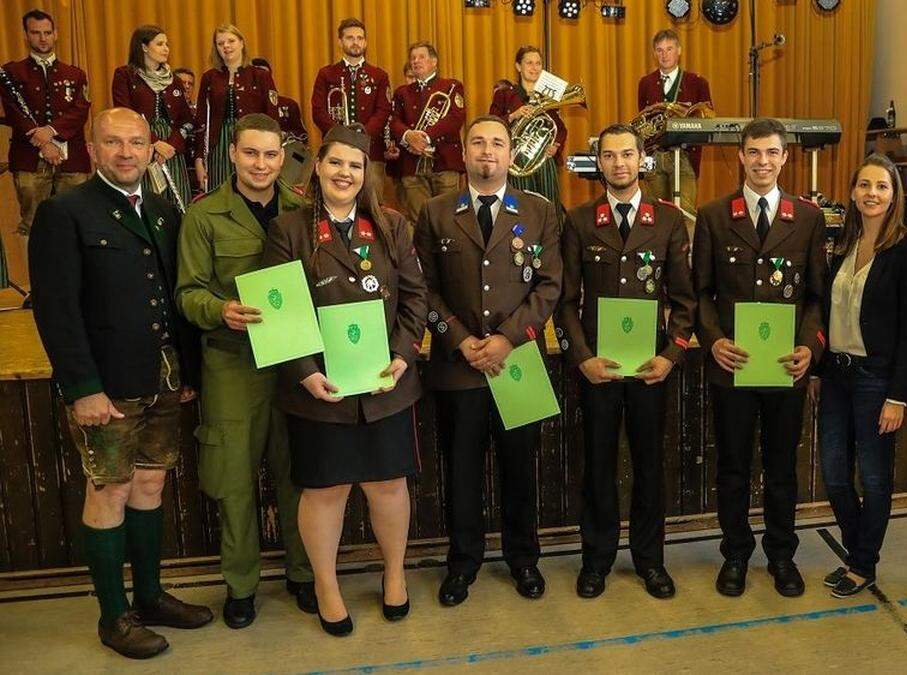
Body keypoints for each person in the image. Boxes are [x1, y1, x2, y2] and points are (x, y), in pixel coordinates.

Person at [29, 108, 211, 658]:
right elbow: (57, 312)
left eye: (136, 142)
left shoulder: (160, 208)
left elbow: (172, 297)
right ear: (93, 148)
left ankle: (150, 596)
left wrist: (189, 374)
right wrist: (82, 386)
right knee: (109, 489)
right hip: (106, 385)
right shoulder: (66, 213)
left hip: (160, 378)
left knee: (150, 485)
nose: (126, 152)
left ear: (150, 146)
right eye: (113, 142)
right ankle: (115, 616)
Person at [260, 124, 427, 636]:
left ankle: (394, 577)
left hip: (384, 385)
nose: (345, 173)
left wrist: (402, 356)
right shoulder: (289, 230)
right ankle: (327, 588)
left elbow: (416, 297)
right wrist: (305, 373)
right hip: (319, 390)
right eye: (335, 163)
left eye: (355, 165)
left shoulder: (393, 226)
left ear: (366, 174)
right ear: (318, 167)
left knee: (388, 485)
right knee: (325, 491)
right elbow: (277, 310)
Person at [413, 115, 560, 607]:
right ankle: (463, 563)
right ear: (463, 149)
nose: (488, 152)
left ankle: (524, 559)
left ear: (511, 153)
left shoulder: (539, 212)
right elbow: (424, 289)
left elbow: (550, 286)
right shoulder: (434, 212)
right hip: (458, 365)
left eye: (498, 143)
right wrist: (457, 339)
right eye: (478, 143)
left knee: (521, 467)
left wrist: (507, 338)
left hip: (518, 362)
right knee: (462, 471)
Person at [175, 113, 314, 629]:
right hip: (233, 364)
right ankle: (241, 585)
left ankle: (303, 574)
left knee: (298, 473)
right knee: (235, 481)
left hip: (296, 362)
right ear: (232, 155)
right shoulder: (205, 215)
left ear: (283, 157)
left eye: (271, 154)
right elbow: (187, 293)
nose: (261, 164)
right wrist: (221, 311)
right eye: (251, 153)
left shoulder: (304, 209)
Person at [557, 123, 696, 600]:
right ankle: (595, 560)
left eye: (627, 155)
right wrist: (582, 359)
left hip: (649, 370)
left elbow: (684, 299)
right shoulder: (577, 221)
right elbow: (565, 302)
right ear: (599, 163)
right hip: (598, 369)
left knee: (649, 466)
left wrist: (672, 354)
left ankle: (650, 561)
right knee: (596, 466)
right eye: (610, 156)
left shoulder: (670, 220)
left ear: (643, 161)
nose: (619, 164)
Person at [692, 117, 828, 598]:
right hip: (733, 367)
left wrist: (809, 345)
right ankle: (734, 554)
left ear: (785, 157)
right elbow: (701, 292)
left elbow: (817, 295)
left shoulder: (808, 217)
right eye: (754, 153)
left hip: (785, 368)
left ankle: (782, 555)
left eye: (772, 153)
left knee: (781, 469)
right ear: (741, 156)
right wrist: (712, 340)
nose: (762, 162)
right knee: (732, 467)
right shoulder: (712, 215)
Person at [814, 153, 907, 598]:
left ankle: (863, 563)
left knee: (875, 477)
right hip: (837, 375)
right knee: (835, 474)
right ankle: (858, 552)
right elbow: (828, 312)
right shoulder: (842, 242)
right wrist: (820, 371)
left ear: (894, 194)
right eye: (864, 185)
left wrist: (899, 395)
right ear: (853, 192)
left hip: (877, 379)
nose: (872, 194)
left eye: (881, 186)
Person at [1, 9, 91, 263]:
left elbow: (80, 110)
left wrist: (50, 133)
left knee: (75, 219)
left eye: (47, 33)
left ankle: (72, 283)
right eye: (36, 33)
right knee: (33, 221)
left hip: (71, 159)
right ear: (26, 35)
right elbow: (14, 112)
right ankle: (38, 285)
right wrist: (43, 143)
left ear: (56, 35)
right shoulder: (11, 73)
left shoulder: (75, 74)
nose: (42, 38)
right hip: (29, 158)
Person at [111, 25, 195, 209]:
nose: (166, 48)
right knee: (148, 202)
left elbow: (187, 120)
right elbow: (124, 115)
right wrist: (154, 142)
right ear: (144, 47)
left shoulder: (175, 80)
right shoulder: (125, 75)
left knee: (177, 204)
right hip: (140, 145)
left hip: (171, 149)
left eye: (167, 44)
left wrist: (171, 144)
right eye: (160, 44)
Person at [636, 28, 711, 222]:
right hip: (655, 157)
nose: (664, 54)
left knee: (686, 213)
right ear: (654, 53)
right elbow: (643, 122)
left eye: (669, 49)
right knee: (656, 215)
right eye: (659, 50)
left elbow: (707, 120)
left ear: (679, 51)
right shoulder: (645, 83)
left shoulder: (697, 82)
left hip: (685, 155)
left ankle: (686, 252)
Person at [311, 18, 392, 198]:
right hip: (335, 150)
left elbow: (383, 111)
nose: (355, 42)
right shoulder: (326, 74)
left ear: (365, 42)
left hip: (371, 153)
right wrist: (342, 137)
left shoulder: (379, 75)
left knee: (372, 203)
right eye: (350, 38)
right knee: (334, 198)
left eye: (360, 38)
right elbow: (318, 111)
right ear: (340, 41)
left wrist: (361, 137)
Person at [194, 23, 279, 192]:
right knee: (220, 190)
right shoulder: (209, 78)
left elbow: (272, 117)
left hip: (252, 142)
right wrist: (198, 159)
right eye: (220, 43)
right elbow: (202, 121)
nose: (226, 46)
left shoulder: (261, 76)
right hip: (219, 145)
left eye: (231, 41)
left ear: (241, 43)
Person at [390, 41, 465, 220]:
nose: (416, 61)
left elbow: (456, 118)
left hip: (444, 162)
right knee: (420, 220)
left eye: (421, 57)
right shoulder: (402, 92)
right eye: (413, 58)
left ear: (434, 62)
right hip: (412, 165)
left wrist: (425, 137)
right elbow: (392, 120)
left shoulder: (452, 86)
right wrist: (408, 136)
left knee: (447, 219)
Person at [489, 46, 566, 206]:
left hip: (543, 160)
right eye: (529, 63)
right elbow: (491, 125)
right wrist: (513, 116)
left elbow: (560, 128)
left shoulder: (549, 95)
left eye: (538, 63)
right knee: (520, 206)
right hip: (516, 161)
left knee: (549, 206)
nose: (534, 67)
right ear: (518, 66)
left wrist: (556, 146)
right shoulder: (504, 94)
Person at [251, 58, 308, 144]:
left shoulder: (289, 105)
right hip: (253, 148)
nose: (260, 78)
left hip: (285, 151)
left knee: (299, 157)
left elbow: (303, 136)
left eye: (264, 73)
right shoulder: (244, 105)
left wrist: (285, 135)